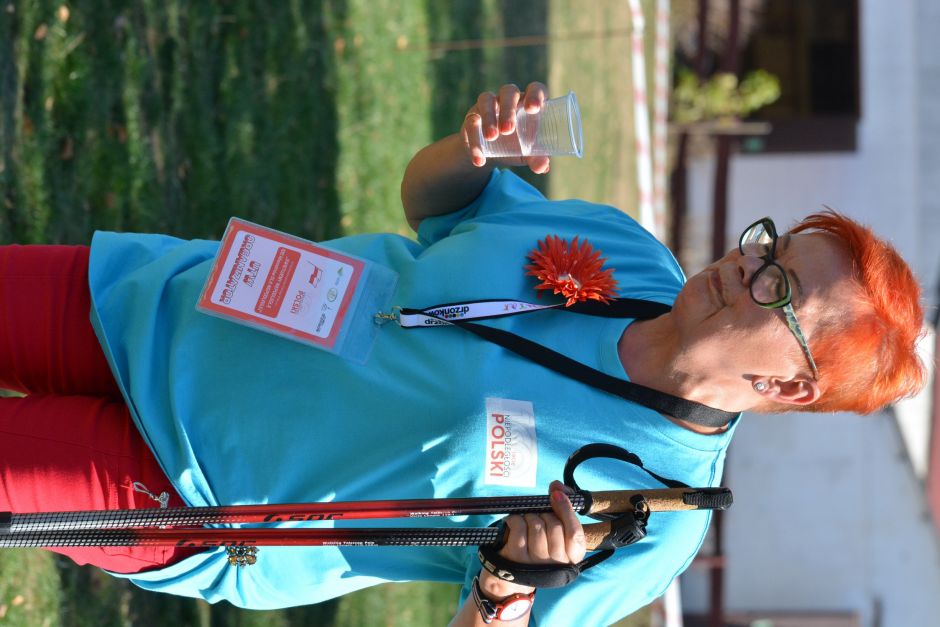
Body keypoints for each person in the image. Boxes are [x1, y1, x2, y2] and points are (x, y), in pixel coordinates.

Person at [0, 82, 926, 626]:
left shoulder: (655, 513)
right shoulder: (633, 255)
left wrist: (506, 583)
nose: (746, 263)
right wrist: (474, 147)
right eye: (770, 245)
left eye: (779, 286)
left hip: (195, 484)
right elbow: (436, 206)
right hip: (168, 299)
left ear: (788, 383)